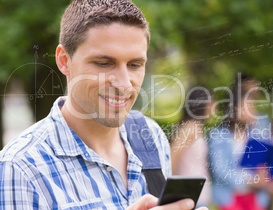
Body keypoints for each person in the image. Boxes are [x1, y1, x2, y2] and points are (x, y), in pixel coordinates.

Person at [0, 1, 207, 209]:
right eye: (104, 63)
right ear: (64, 60)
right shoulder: (20, 168)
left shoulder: (150, 136)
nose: (124, 84)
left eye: (135, 65)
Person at [208, 74, 272, 210]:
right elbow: (220, 170)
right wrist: (248, 182)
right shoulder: (219, 135)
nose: (252, 110)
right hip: (230, 199)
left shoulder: (256, 134)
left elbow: (265, 163)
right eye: (247, 106)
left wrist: (264, 176)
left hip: (256, 199)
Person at [170, 87, 213, 207]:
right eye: (210, 103)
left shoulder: (197, 128)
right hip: (189, 195)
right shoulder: (190, 128)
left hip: (199, 195)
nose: (212, 107)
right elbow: (172, 157)